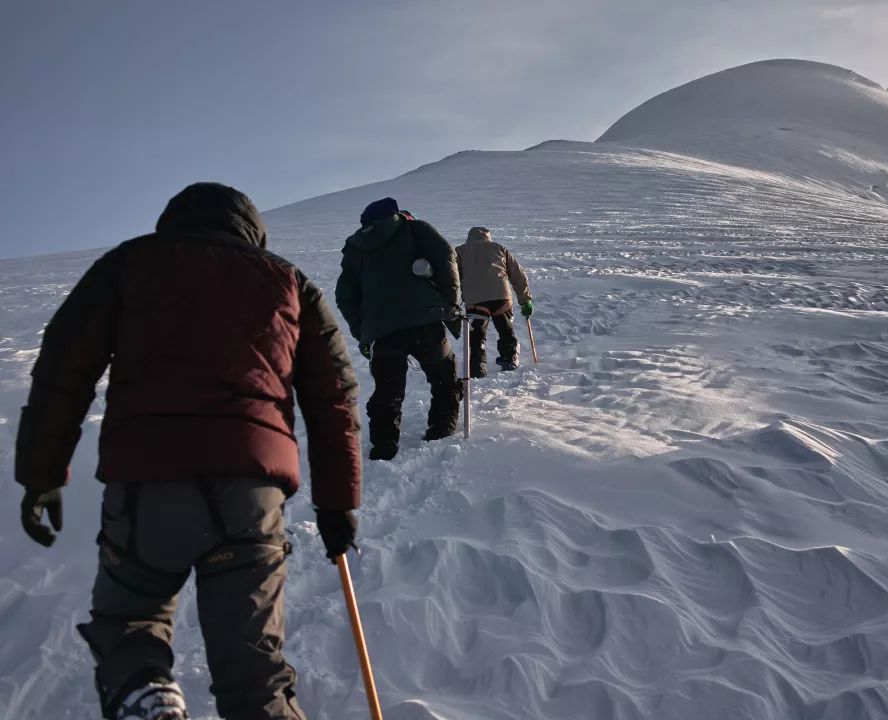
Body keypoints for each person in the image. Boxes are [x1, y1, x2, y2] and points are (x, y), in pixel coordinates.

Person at [14, 183, 362, 720]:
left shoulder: (128, 265)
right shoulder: (290, 281)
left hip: (147, 483)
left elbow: (64, 365)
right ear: (252, 230)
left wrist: (41, 474)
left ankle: (144, 693)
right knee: (254, 674)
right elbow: (334, 398)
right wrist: (338, 505)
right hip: (249, 493)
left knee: (129, 620)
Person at [335, 197, 463, 461]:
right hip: (425, 321)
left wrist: (364, 331)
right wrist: (449, 302)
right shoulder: (414, 228)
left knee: (387, 390)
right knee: (444, 376)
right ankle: (441, 428)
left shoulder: (356, 247)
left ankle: (383, 447)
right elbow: (445, 256)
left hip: (383, 332)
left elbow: (345, 296)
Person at [455, 226, 533, 377]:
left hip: (475, 299)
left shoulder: (460, 251)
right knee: (505, 329)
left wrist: (452, 301)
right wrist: (525, 301)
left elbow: (454, 276)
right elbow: (519, 276)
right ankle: (509, 359)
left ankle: (477, 367)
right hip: (501, 297)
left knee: (477, 333)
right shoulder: (499, 248)